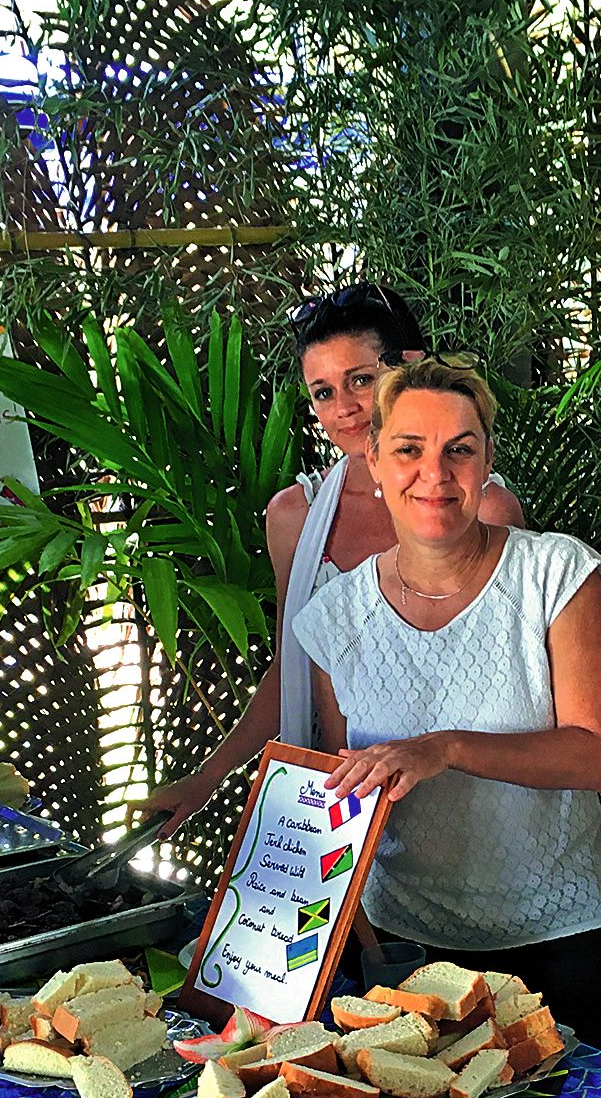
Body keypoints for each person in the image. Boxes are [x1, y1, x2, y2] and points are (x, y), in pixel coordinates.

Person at [295, 358, 601, 1049]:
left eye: (459, 450)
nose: (435, 474)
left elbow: (592, 753)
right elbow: (344, 781)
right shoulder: (335, 615)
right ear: (374, 460)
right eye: (409, 450)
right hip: (407, 947)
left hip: (557, 938)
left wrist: (444, 747)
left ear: (486, 463)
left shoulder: (556, 573)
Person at [143, 285, 523, 832]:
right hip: (343, 805)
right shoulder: (295, 517)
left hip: (473, 804)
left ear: (410, 367)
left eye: (361, 381)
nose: (343, 408)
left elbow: (511, 678)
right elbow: (289, 668)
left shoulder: (482, 507)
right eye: (323, 392)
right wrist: (205, 780)